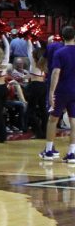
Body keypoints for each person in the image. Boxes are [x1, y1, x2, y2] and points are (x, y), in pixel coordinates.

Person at [40, 27, 75, 160]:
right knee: (73, 121)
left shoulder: (59, 52)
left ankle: (49, 151)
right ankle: (72, 153)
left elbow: (55, 73)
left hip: (61, 90)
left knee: (53, 119)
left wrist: (51, 92)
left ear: (62, 37)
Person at [26, 43, 48, 140]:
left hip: (35, 86)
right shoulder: (44, 62)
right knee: (43, 111)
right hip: (43, 86)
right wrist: (38, 43)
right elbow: (42, 51)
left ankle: (38, 132)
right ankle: (45, 132)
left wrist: (29, 39)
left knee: (30, 111)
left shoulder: (34, 62)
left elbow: (29, 48)